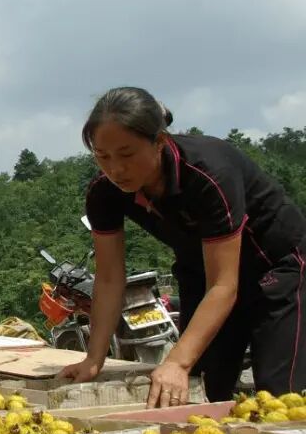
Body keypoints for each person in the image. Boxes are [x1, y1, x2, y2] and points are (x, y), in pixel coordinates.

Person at [61, 87, 306, 407]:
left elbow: (225, 286)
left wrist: (177, 361)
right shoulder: (104, 193)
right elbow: (108, 279)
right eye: (102, 156)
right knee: (205, 385)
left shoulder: (208, 175)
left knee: (278, 397)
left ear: (159, 142)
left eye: (127, 154)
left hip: (276, 269)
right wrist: (94, 359)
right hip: (203, 273)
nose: (115, 170)